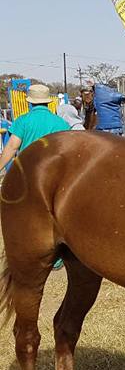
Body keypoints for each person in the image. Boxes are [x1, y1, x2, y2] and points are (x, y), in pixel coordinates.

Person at [0, 85, 73, 270]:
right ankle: (58, 258)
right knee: (56, 214)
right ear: (49, 102)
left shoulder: (22, 121)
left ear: (29, 102)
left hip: (29, 175)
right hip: (57, 175)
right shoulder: (60, 123)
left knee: (30, 217)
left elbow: (12, 147)